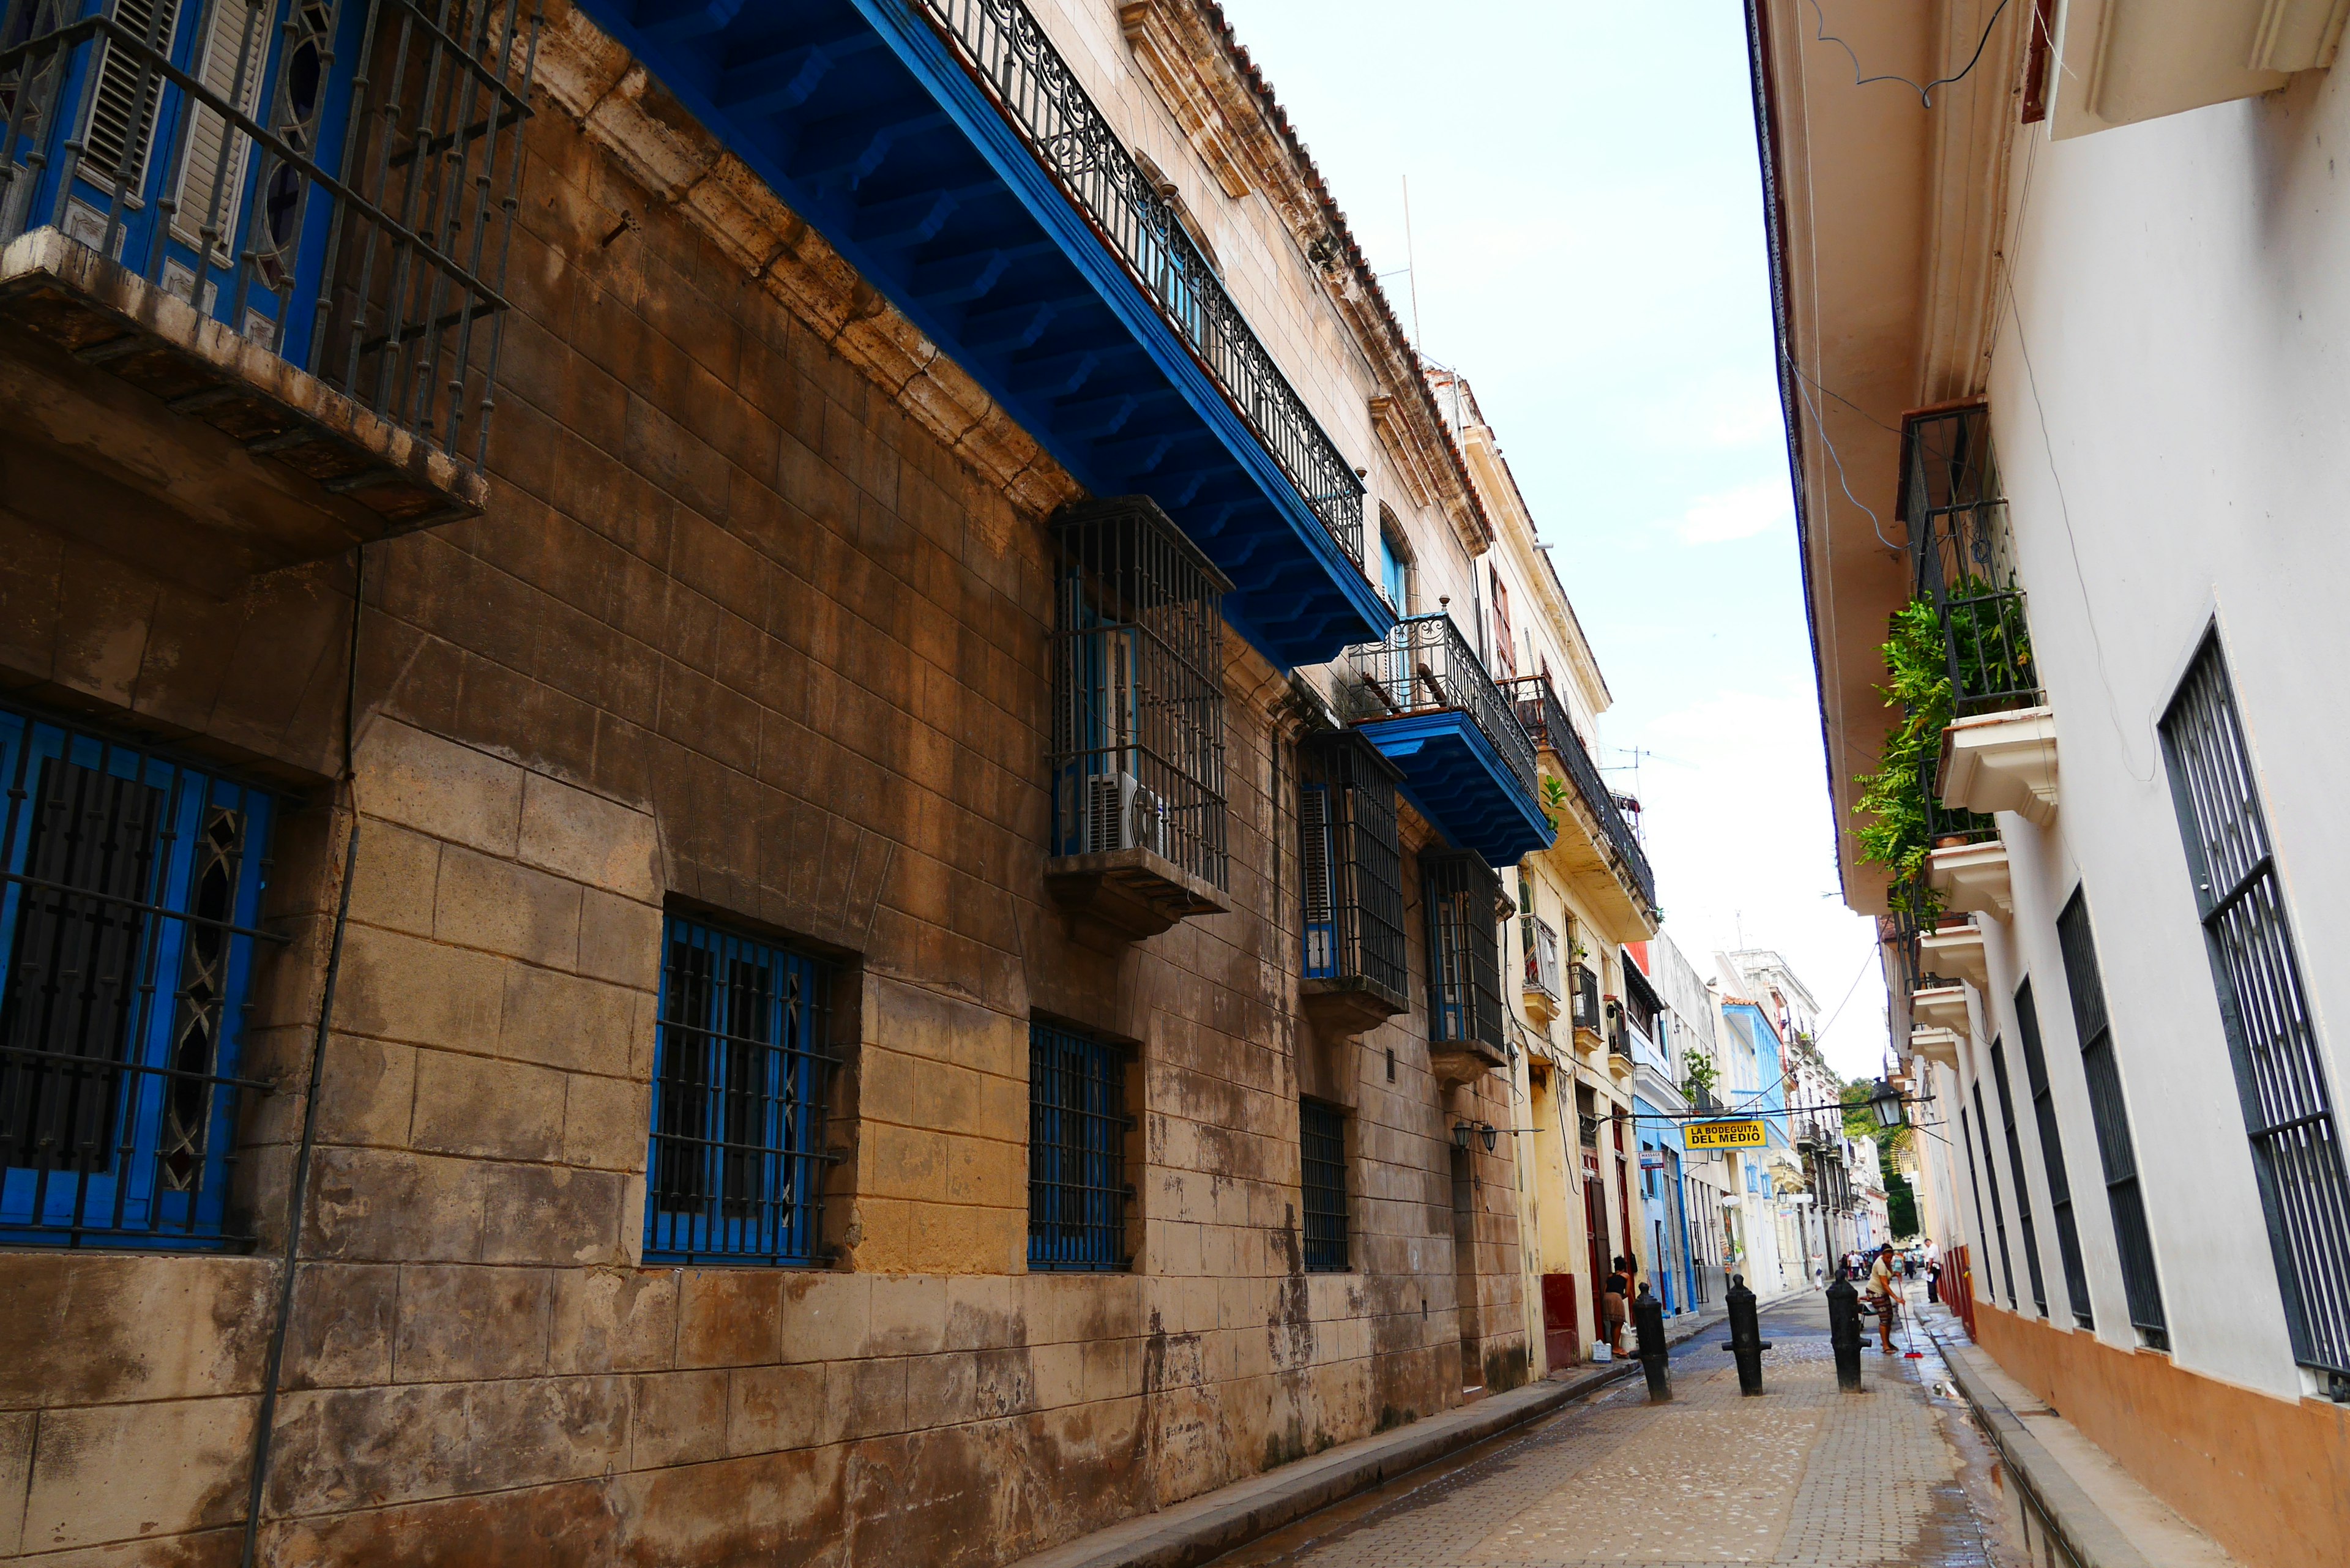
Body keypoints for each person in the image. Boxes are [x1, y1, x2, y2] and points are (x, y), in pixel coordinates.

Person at [1867, 1244, 1898, 1352]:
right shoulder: (1880, 1264)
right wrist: (1896, 1298)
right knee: (1884, 1318)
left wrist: (1896, 1274)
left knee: (1890, 1316)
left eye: (1891, 1257)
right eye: (1887, 1257)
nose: (1889, 1260)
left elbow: (1889, 1275)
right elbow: (1885, 1284)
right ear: (1882, 1255)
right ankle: (1885, 1346)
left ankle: (1888, 1342)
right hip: (1875, 1292)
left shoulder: (1887, 1263)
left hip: (1882, 1292)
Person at [1604, 1255, 1630, 1355]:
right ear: (1624, 1267)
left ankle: (1613, 1345)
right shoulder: (1626, 1276)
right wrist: (1620, 1298)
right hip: (1616, 1297)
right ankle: (1616, 1347)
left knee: (1612, 1323)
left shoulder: (1610, 1276)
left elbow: (1605, 1290)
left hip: (1606, 1298)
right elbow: (1627, 1293)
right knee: (1619, 1322)